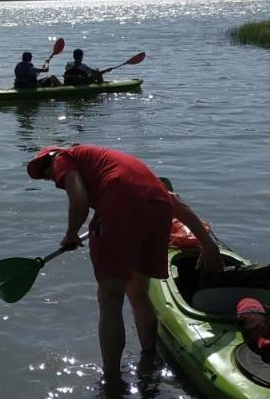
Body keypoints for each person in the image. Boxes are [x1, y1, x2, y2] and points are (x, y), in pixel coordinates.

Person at [26, 145, 223, 386]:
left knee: (110, 300)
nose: (53, 180)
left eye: (47, 176)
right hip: (158, 208)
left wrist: (71, 234)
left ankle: (111, 379)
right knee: (138, 293)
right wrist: (207, 243)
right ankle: (149, 358)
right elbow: (173, 200)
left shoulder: (61, 158)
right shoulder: (107, 160)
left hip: (120, 206)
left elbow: (79, 198)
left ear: (48, 163)